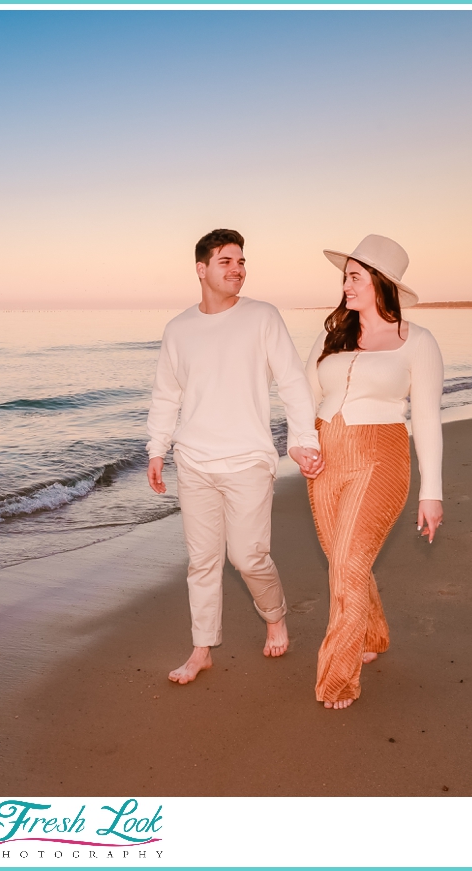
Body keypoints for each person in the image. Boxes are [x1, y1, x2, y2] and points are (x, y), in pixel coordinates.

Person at [147, 229, 325, 684]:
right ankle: (201, 648)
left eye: (242, 261)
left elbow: (291, 382)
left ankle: (275, 615)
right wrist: (157, 448)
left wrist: (303, 439)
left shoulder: (262, 317)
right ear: (201, 269)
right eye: (226, 261)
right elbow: (167, 395)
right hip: (194, 461)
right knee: (202, 561)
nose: (237, 269)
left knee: (248, 557)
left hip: (247, 459)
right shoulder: (178, 329)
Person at [291, 235, 444, 710]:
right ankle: (373, 634)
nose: (345, 285)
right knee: (344, 560)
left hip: (381, 457)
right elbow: (301, 393)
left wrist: (431, 491)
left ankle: (338, 678)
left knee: (348, 568)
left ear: (381, 283)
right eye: (344, 276)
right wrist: (302, 445)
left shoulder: (417, 341)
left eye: (355, 276)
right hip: (325, 458)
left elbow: (426, 418)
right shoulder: (332, 333)